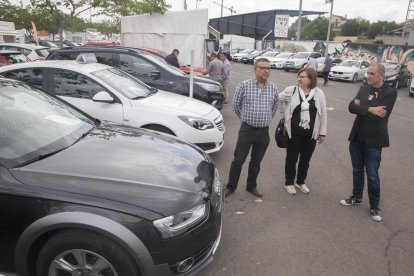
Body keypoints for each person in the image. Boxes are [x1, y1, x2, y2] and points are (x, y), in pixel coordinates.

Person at [340, 62, 397, 222]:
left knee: (372, 175)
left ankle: (374, 206)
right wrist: (371, 108)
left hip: (374, 140)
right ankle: (356, 197)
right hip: (357, 136)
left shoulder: (390, 92)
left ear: (381, 75)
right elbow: (351, 107)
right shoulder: (363, 89)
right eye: (368, 73)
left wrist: (362, 107)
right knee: (357, 170)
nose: (368, 76)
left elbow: (382, 115)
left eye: (371, 73)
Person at [224, 58, 279, 198]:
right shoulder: (244, 85)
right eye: (263, 68)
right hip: (247, 130)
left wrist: (263, 120)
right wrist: (246, 119)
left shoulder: (273, 88)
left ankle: (251, 186)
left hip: (263, 132)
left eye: (268, 68)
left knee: (256, 162)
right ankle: (231, 186)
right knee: (238, 160)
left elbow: (273, 109)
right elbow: (236, 106)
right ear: (255, 69)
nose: (266, 71)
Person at [278, 67, 327, 195]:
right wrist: (284, 115)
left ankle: (300, 182)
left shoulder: (318, 93)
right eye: (298, 76)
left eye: (303, 77)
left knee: (305, 160)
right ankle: (289, 182)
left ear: (311, 79)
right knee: (291, 158)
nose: (299, 79)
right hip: (293, 132)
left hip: (311, 134)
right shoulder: (291, 90)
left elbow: (323, 114)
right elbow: (278, 99)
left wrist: (322, 132)